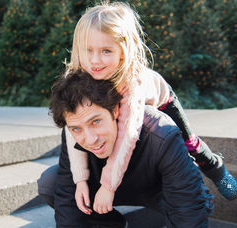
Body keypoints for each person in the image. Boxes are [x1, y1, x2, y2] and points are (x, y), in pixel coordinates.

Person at [62, 1, 236, 216]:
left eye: (106, 51)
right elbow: (72, 127)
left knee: (189, 143)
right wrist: (80, 179)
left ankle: (216, 169)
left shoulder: (132, 84)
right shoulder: (80, 75)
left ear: (123, 52)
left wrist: (108, 187)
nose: (95, 60)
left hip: (162, 100)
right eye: (88, 50)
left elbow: (127, 136)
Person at [38, 70, 213, 227]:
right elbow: (66, 197)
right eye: (76, 129)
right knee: (50, 183)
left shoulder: (160, 132)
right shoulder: (74, 129)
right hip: (108, 188)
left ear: (115, 111)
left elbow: (188, 208)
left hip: (161, 189)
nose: (90, 139)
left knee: (196, 200)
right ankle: (111, 224)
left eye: (96, 121)